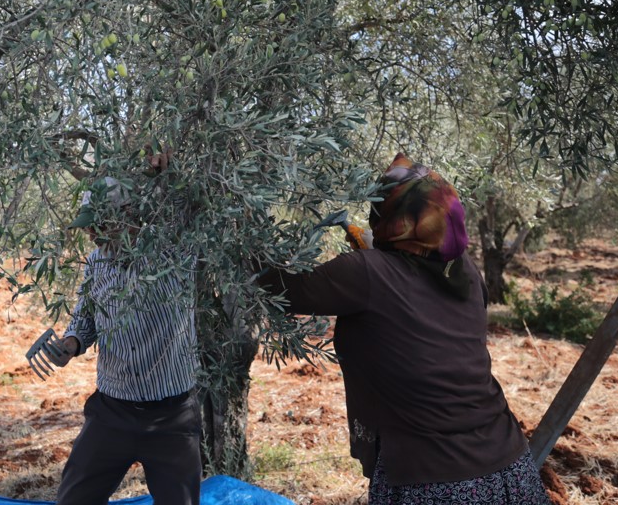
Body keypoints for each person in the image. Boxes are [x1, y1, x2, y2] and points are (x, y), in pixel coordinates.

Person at [260, 153, 549, 504]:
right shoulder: (465, 271)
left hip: (434, 482)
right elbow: (413, 285)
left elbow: (280, 288)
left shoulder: (367, 273)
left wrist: (242, 229)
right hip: (510, 468)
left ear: (394, 219)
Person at [27, 147, 202, 505]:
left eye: (101, 223)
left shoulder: (173, 253)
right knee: (74, 500)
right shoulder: (97, 261)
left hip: (171, 415)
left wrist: (167, 178)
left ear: (129, 215)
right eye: (89, 225)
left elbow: (189, 210)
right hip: (112, 411)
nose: (92, 233)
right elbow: (86, 315)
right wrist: (72, 342)